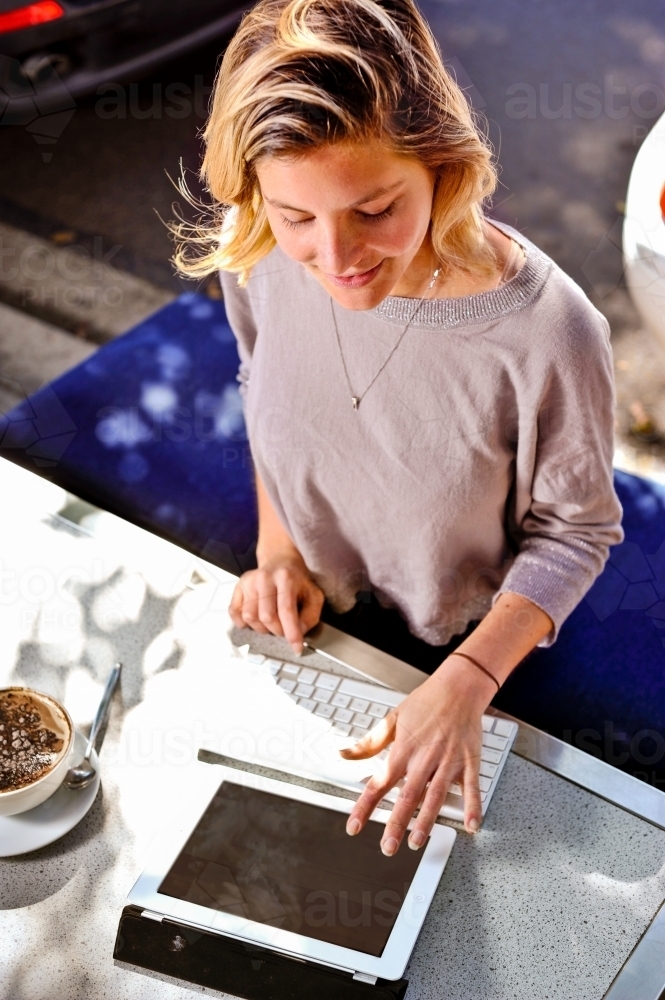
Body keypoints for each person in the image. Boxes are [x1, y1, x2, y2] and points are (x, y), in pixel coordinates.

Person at [175, 0, 623, 854]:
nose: (335, 259)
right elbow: (258, 375)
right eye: (297, 218)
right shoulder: (257, 238)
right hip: (319, 623)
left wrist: (467, 682)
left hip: (472, 646)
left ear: (442, 168)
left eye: (375, 209)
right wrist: (279, 553)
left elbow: (576, 534)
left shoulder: (549, 332)